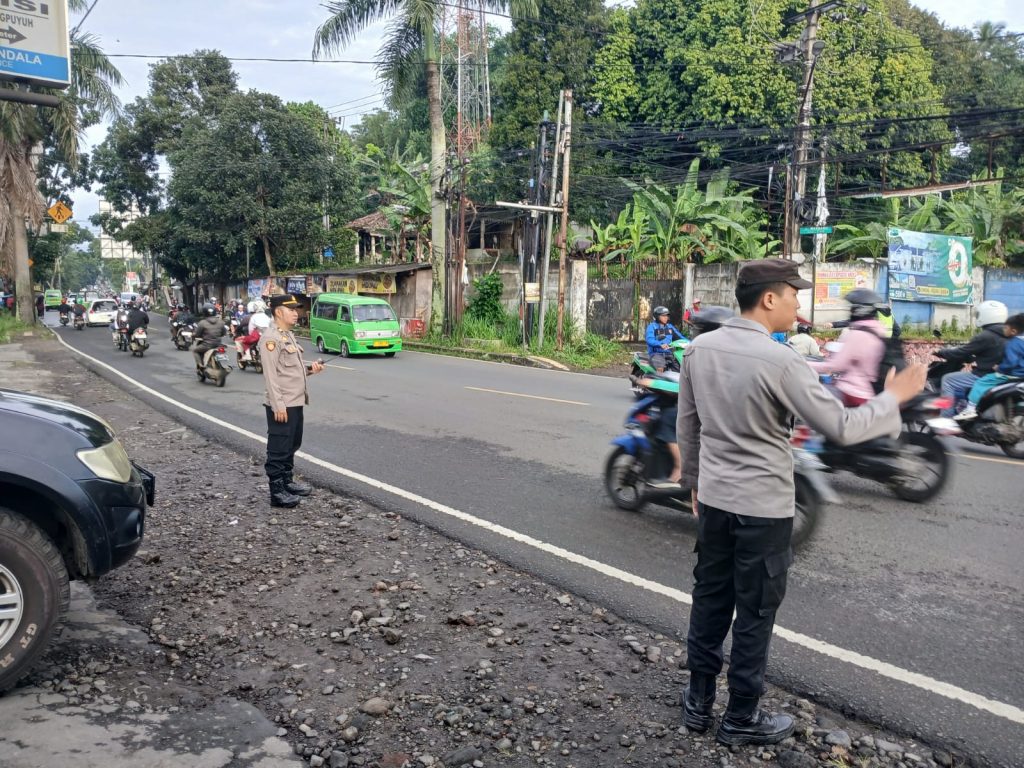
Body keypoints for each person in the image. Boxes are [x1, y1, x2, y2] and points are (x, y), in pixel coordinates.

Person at [676, 258, 926, 746]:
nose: (798, 303)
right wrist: (894, 397)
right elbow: (843, 427)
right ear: (769, 298)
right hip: (763, 509)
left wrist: (694, 484)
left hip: (716, 502)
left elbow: (690, 425)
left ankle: (697, 705)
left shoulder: (698, 349)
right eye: (794, 294)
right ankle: (740, 718)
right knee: (754, 612)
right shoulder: (782, 360)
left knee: (709, 601)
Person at [260, 294, 324, 508]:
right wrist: (278, 405)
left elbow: (290, 372)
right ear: (279, 312)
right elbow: (271, 375)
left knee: (292, 444)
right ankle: (276, 492)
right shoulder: (271, 338)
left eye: (297, 310)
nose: (297, 313)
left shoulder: (288, 336)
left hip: (295, 402)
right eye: (292, 310)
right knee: (278, 447)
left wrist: (311, 370)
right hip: (283, 405)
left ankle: (287, 482)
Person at [807, 289, 891, 406]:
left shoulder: (858, 335)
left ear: (859, 310)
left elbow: (835, 365)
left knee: (810, 400)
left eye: (852, 308)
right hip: (870, 395)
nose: (850, 311)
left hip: (852, 393)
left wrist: (803, 363)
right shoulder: (878, 330)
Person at [935, 300, 1008, 416]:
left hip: (984, 375)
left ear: (986, 315)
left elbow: (961, 352)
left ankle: (945, 419)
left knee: (948, 380)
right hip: (1002, 375)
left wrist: (941, 352)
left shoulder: (985, 335)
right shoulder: (1009, 334)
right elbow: (988, 352)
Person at [955, 313, 1024, 421]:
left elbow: (1011, 362)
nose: (1003, 329)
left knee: (981, 383)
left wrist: (999, 368)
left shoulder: (1013, 343)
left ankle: (970, 409)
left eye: (1005, 327)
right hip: (1021, 377)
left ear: (1013, 331)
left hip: (1011, 374)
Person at [645, 306, 686, 372]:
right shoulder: (652, 327)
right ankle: (657, 381)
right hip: (656, 354)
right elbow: (649, 340)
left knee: (681, 370)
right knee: (660, 369)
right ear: (657, 317)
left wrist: (692, 343)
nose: (666, 317)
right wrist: (660, 344)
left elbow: (680, 337)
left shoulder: (670, 327)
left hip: (669, 354)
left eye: (667, 316)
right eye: (663, 316)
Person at [192, 304, 225, 372]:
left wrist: (193, 335)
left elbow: (197, 334)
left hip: (207, 345)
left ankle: (200, 365)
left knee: (195, 350)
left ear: (204, 312)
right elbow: (223, 333)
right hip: (218, 344)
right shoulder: (220, 322)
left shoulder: (202, 323)